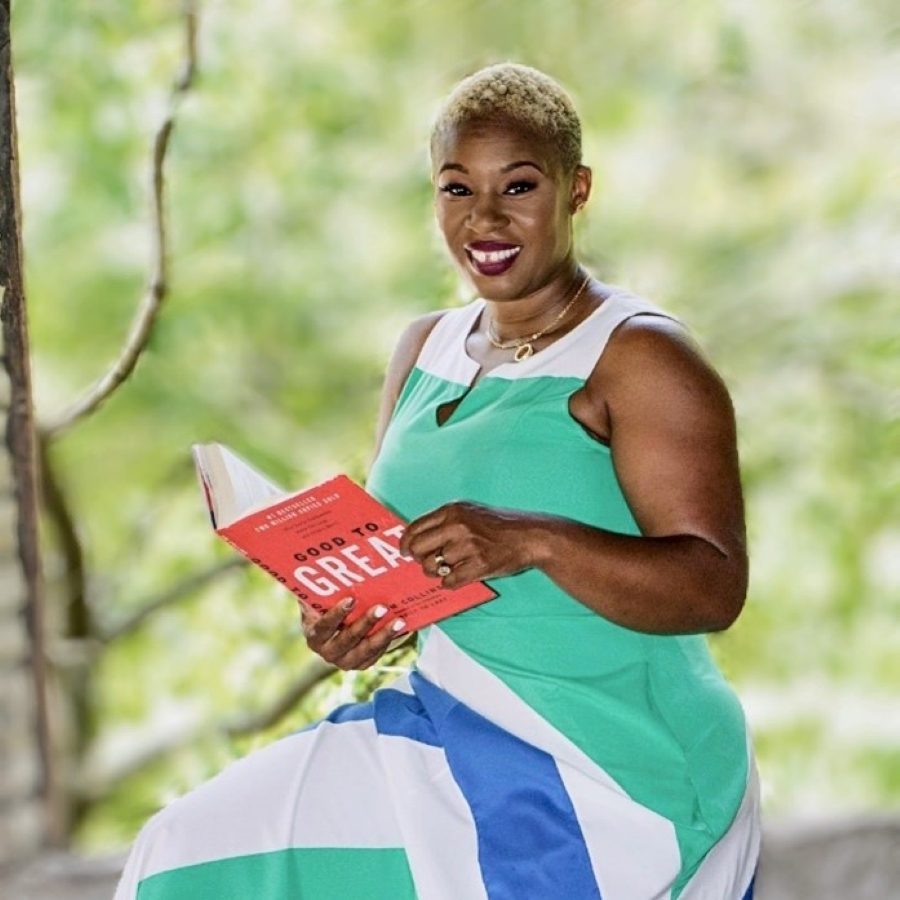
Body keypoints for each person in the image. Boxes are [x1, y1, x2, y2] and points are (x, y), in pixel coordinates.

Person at [115, 63, 760, 899]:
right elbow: (420, 570)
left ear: (577, 190)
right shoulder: (425, 348)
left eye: (518, 186)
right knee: (183, 852)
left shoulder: (640, 357)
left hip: (612, 765)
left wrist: (532, 539)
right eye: (458, 189)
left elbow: (714, 585)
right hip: (445, 724)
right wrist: (357, 620)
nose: (484, 218)